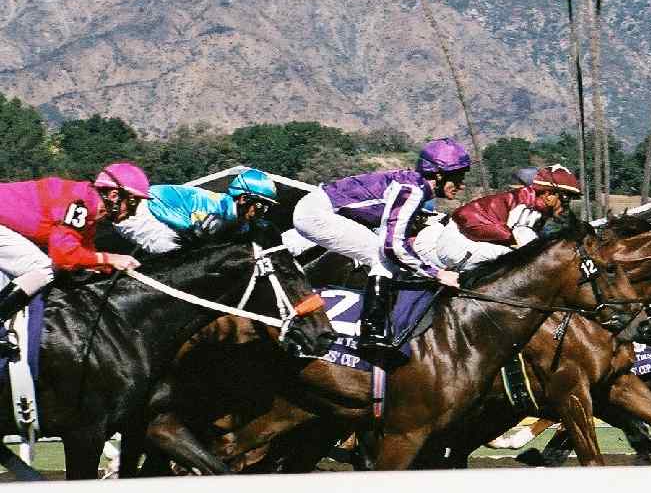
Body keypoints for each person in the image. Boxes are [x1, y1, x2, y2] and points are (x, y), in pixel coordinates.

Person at [292, 138, 471, 353]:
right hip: (317, 213)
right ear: (439, 174)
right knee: (383, 258)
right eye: (458, 177)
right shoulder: (412, 190)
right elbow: (393, 246)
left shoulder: (414, 186)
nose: (462, 185)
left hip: (316, 209)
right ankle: (371, 332)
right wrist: (437, 274)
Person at [0, 163, 150, 360]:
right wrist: (110, 258)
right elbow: (63, 256)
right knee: (43, 266)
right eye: (133, 202)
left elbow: (84, 255)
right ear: (114, 195)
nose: (133, 211)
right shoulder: (79, 204)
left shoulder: (89, 213)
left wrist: (109, 266)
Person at [436, 165, 580, 271]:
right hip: (457, 244)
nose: (567, 207)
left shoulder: (534, 203)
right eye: (566, 199)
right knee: (526, 261)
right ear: (548, 194)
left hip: (464, 240)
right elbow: (527, 246)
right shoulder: (528, 208)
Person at [116, 168, 278, 253]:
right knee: (174, 252)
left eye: (267, 207)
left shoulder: (241, 220)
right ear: (243, 199)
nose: (263, 212)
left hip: (165, 215)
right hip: (139, 211)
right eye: (260, 205)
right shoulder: (214, 211)